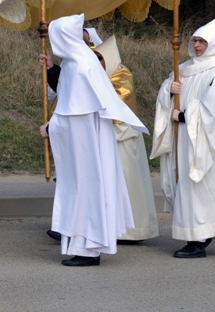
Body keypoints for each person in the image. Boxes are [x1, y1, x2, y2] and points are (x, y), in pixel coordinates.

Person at [38, 14, 148, 266]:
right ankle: (84, 247)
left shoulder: (79, 66)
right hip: (86, 145)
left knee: (85, 192)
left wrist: (52, 127)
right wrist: (52, 68)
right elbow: (70, 97)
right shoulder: (78, 61)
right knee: (85, 192)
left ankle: (88, 250)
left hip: (85, 146)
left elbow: (76, 114)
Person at [150, 18, 215, 258]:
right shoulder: (184, 68)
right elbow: (168, 91)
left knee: (202, 184)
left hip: (203, 142)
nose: (198, 45)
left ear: (212, 43)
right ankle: (194, 234)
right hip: (184, 140)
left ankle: (199, 238)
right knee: (185, 184)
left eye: (203, 41)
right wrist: (168, 92)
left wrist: (183, 116)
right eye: (195, 41)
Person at [95, 36, 159, 243]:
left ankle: (133, 230)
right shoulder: (99, 76)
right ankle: (112, 229)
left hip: (124, 139)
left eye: (101, 59)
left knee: (129, 185)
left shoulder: (122, 76)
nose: (98, 63)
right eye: (95, 59)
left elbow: (113, 103)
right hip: (108, 138)